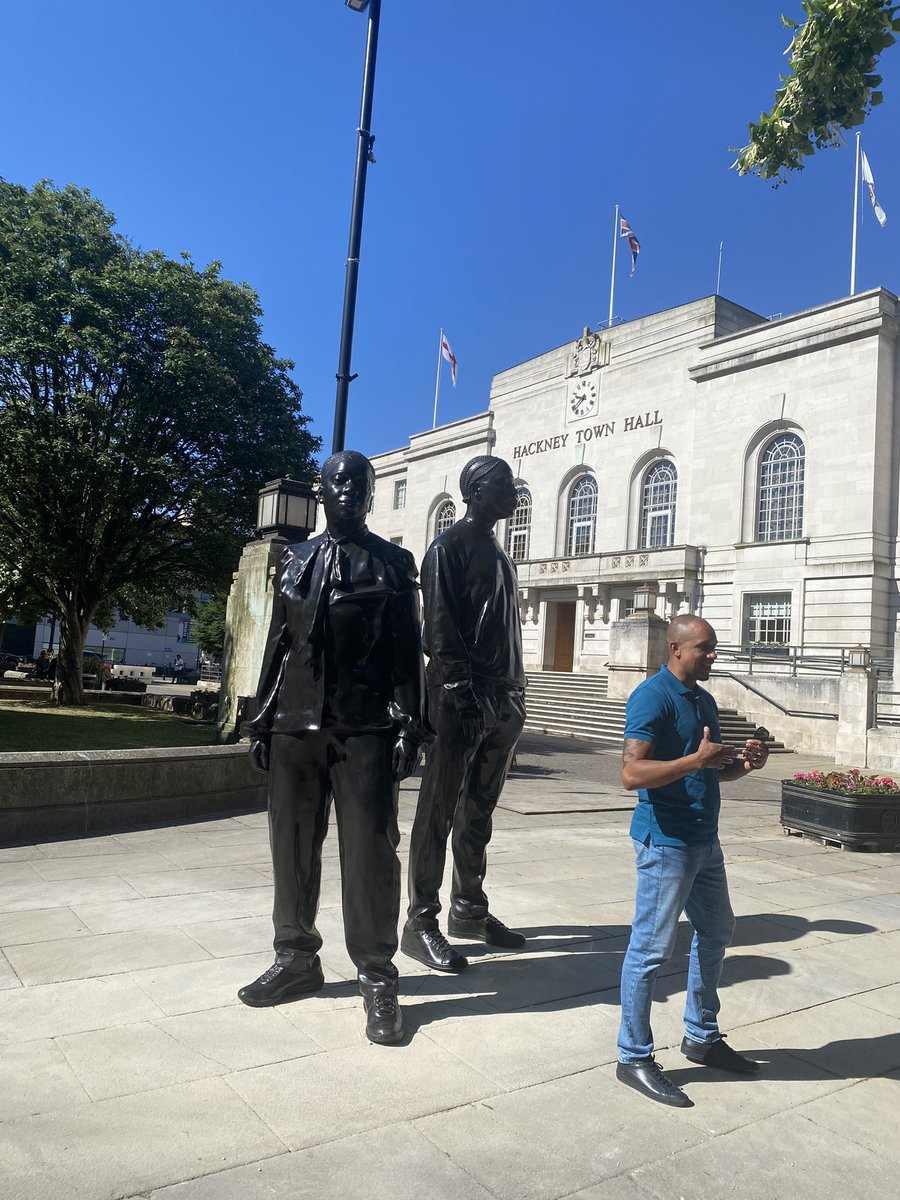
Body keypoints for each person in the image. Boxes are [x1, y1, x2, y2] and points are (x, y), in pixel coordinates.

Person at [239, 450, 431, 1045]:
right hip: (296, 724)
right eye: (337, 482)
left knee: (371, 851)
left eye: (359, 483)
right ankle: (296, 957)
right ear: (321, 493)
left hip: (366, 726)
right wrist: (262, 717)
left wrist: (411, 723)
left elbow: (408, 651)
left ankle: (376, 973)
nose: (348, 490)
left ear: (371, 495)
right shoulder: (293, 561)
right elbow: (279, 642)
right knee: (290, 844)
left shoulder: (393, 564)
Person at [616, 614, 769, 1107]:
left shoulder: (703, 700)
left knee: (718, 929)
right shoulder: (651, 696)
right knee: (650, 950)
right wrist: (694, 761)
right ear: (676, 648)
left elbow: (707, 774)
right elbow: (631, 773)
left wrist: (743, 765)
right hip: (665, 843)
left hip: (705, 842)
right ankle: (633, 1057)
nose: (713, 656)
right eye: (705, 648)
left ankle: (701, 1037)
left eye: (715, 648)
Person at [402, 455, 527, 973]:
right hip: (463, 698)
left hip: (504, 696)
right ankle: (421, 921)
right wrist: (461, 692)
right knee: (439, 808)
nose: (513, 495)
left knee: (480, 810)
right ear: (476, 491)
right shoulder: (445, 549)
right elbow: (439, 633)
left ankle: (469, 908)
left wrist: (516, 694)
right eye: (503, 486)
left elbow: (509, 631)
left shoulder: (501, 555)